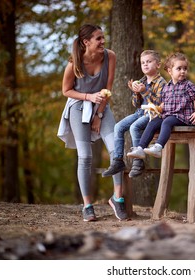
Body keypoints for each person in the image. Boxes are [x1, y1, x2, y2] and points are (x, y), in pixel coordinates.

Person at [57, 24, 127, 222]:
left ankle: (117, 198)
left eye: (103, 37)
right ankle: (87, 206)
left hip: (101, 107)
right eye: (98, 38)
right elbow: (66, 91)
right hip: (78, 108)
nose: (103, 42)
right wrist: (88, 97)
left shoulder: (110, 56)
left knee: (116, 150)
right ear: (86, 42)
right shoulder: (74, 64)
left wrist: (99, 114)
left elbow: (108, 87)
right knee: (85, 156)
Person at [101, 50, 167, 178]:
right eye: (143, 63)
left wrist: (144, 91)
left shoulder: (161, 83)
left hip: (152, 115)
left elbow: (159, 103)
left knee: (134, 127)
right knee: (118, 127)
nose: (145, 65)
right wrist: (136, 93)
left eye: (149, 62)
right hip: (139, 112)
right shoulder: (141, 81)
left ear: (158, 65)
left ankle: (138, 161)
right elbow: (136, 104)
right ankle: (118, 160)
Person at [127, 52, 195, 160]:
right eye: (179, 68)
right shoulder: (167, 87)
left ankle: (158, 147)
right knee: (153, 122)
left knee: (167, 121)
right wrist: (157, 109)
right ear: (170, 71)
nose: (183, 71)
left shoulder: (188, 85)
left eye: (185, 68)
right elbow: (163, 103)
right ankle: (140, 148)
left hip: (182, 116)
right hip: (167, 114)